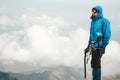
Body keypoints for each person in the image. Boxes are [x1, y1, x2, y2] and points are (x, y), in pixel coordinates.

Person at [85, 6, 111, 80]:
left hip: (99, 46)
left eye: (95, 11)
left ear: (99, 12)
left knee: (95, 64)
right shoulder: (93, 21)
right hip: (93, 46)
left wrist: (103, 46)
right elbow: (91, 35)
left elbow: (107, 35)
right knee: (95, 64)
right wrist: (88, 46)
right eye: (92, 11)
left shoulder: (104, 21)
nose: (93, 12)